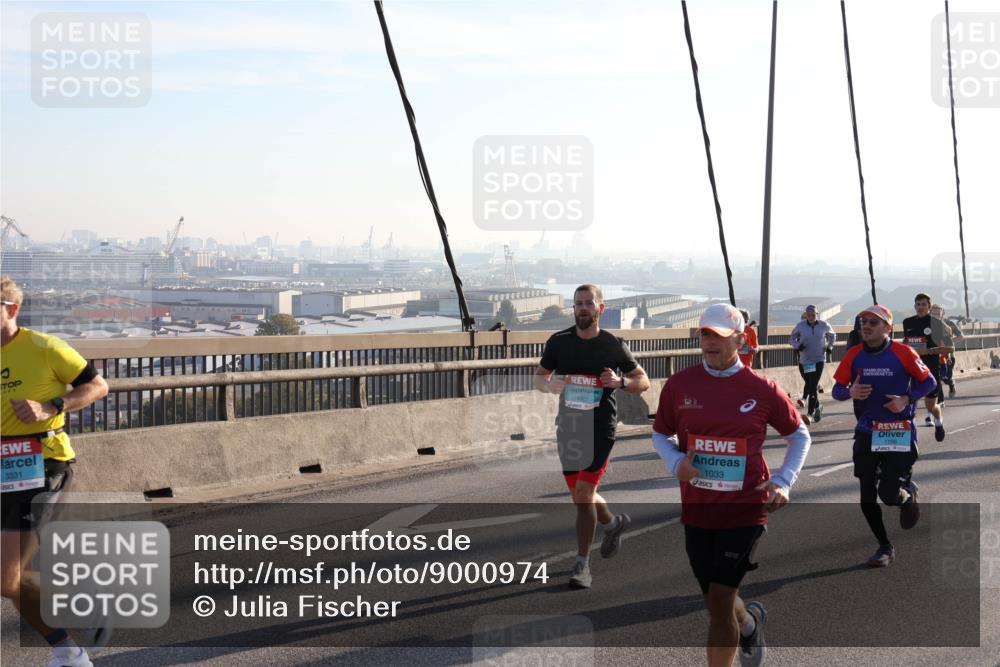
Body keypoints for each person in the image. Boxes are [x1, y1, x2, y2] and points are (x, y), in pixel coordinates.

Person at [653, 303, 811, 667]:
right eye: (705, 333)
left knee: (720, 601)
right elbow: (660, 433)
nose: (709, 342)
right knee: (715, 597)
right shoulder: (680, 384)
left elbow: (799, 435)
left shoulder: (762, 388)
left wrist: (784, 481)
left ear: (740, 340)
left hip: (746, 508)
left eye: (720, 336)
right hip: (698, 508)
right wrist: (676, 461)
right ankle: (750, 623)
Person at [1, 276, 110, 667]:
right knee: (12, 580)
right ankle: (69, 651)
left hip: (42, 466)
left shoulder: (43, 347)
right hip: (2, 470)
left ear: (10, 310)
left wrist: (53, 406)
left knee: (7, 578)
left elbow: (98, 386)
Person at [535, 284, 650, 589]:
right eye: (578, 304)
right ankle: (613, 524)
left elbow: (644, 381)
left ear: (601, 308)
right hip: (570, 427)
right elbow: (540, 377)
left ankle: (582, 564)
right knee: (580, 495)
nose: (582, 308)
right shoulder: (559, 342)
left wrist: (620, 381)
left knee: (584, 495)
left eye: (588, 303)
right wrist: (551, 386)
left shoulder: (613, 344)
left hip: (601, 427)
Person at [832, 305, 937, 567]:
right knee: (867, 495)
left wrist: (906, 398)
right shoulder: (854, 355)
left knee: (888, 494)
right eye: (863, 321)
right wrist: (850, 393)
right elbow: (836, 390)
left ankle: (906, 496)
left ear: (888, 328)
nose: (866, 326)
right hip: (867, 430)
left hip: (897, 429)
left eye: (873, 322)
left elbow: (929, 382)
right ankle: (884, 546)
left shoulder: (903, 352)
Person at [901, 294, 951, 442]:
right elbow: (906, 341)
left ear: (929, 307)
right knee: (909, 406)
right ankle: (909, 441)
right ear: (914, 306)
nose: (920, 307)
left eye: (924, 304)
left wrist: (928, 351)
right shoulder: (907, 322)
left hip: (929, 371)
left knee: (931, 406)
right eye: (918, 304)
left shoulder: (936, 323)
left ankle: (938, 422)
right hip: (910, 371)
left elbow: (949, 347)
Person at [789, 305, 836, 424]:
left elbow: (832, 335)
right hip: (804, 361)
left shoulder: (824, 325)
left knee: (813, 385)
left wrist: (830, 347)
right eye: (809, 315)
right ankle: (818, 407)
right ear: (806, 315)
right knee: (810, 385)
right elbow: (792, 338)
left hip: (819, 359)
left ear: (817, 315)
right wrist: (797, 346)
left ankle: (809, 414)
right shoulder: (800, 326)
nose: (811, 317)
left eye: (813, 315)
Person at [930, 304, 963, 400]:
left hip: (948, 354)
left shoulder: (949, 323)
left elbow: (961, 336)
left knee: (946, 378)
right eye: (933, 313)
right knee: (937, 377)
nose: (935, 315)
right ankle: (937, 398)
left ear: (942, 313)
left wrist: (949, 342)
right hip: (934, 354)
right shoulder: (928, 324)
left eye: (937, 313)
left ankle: (951, 384)